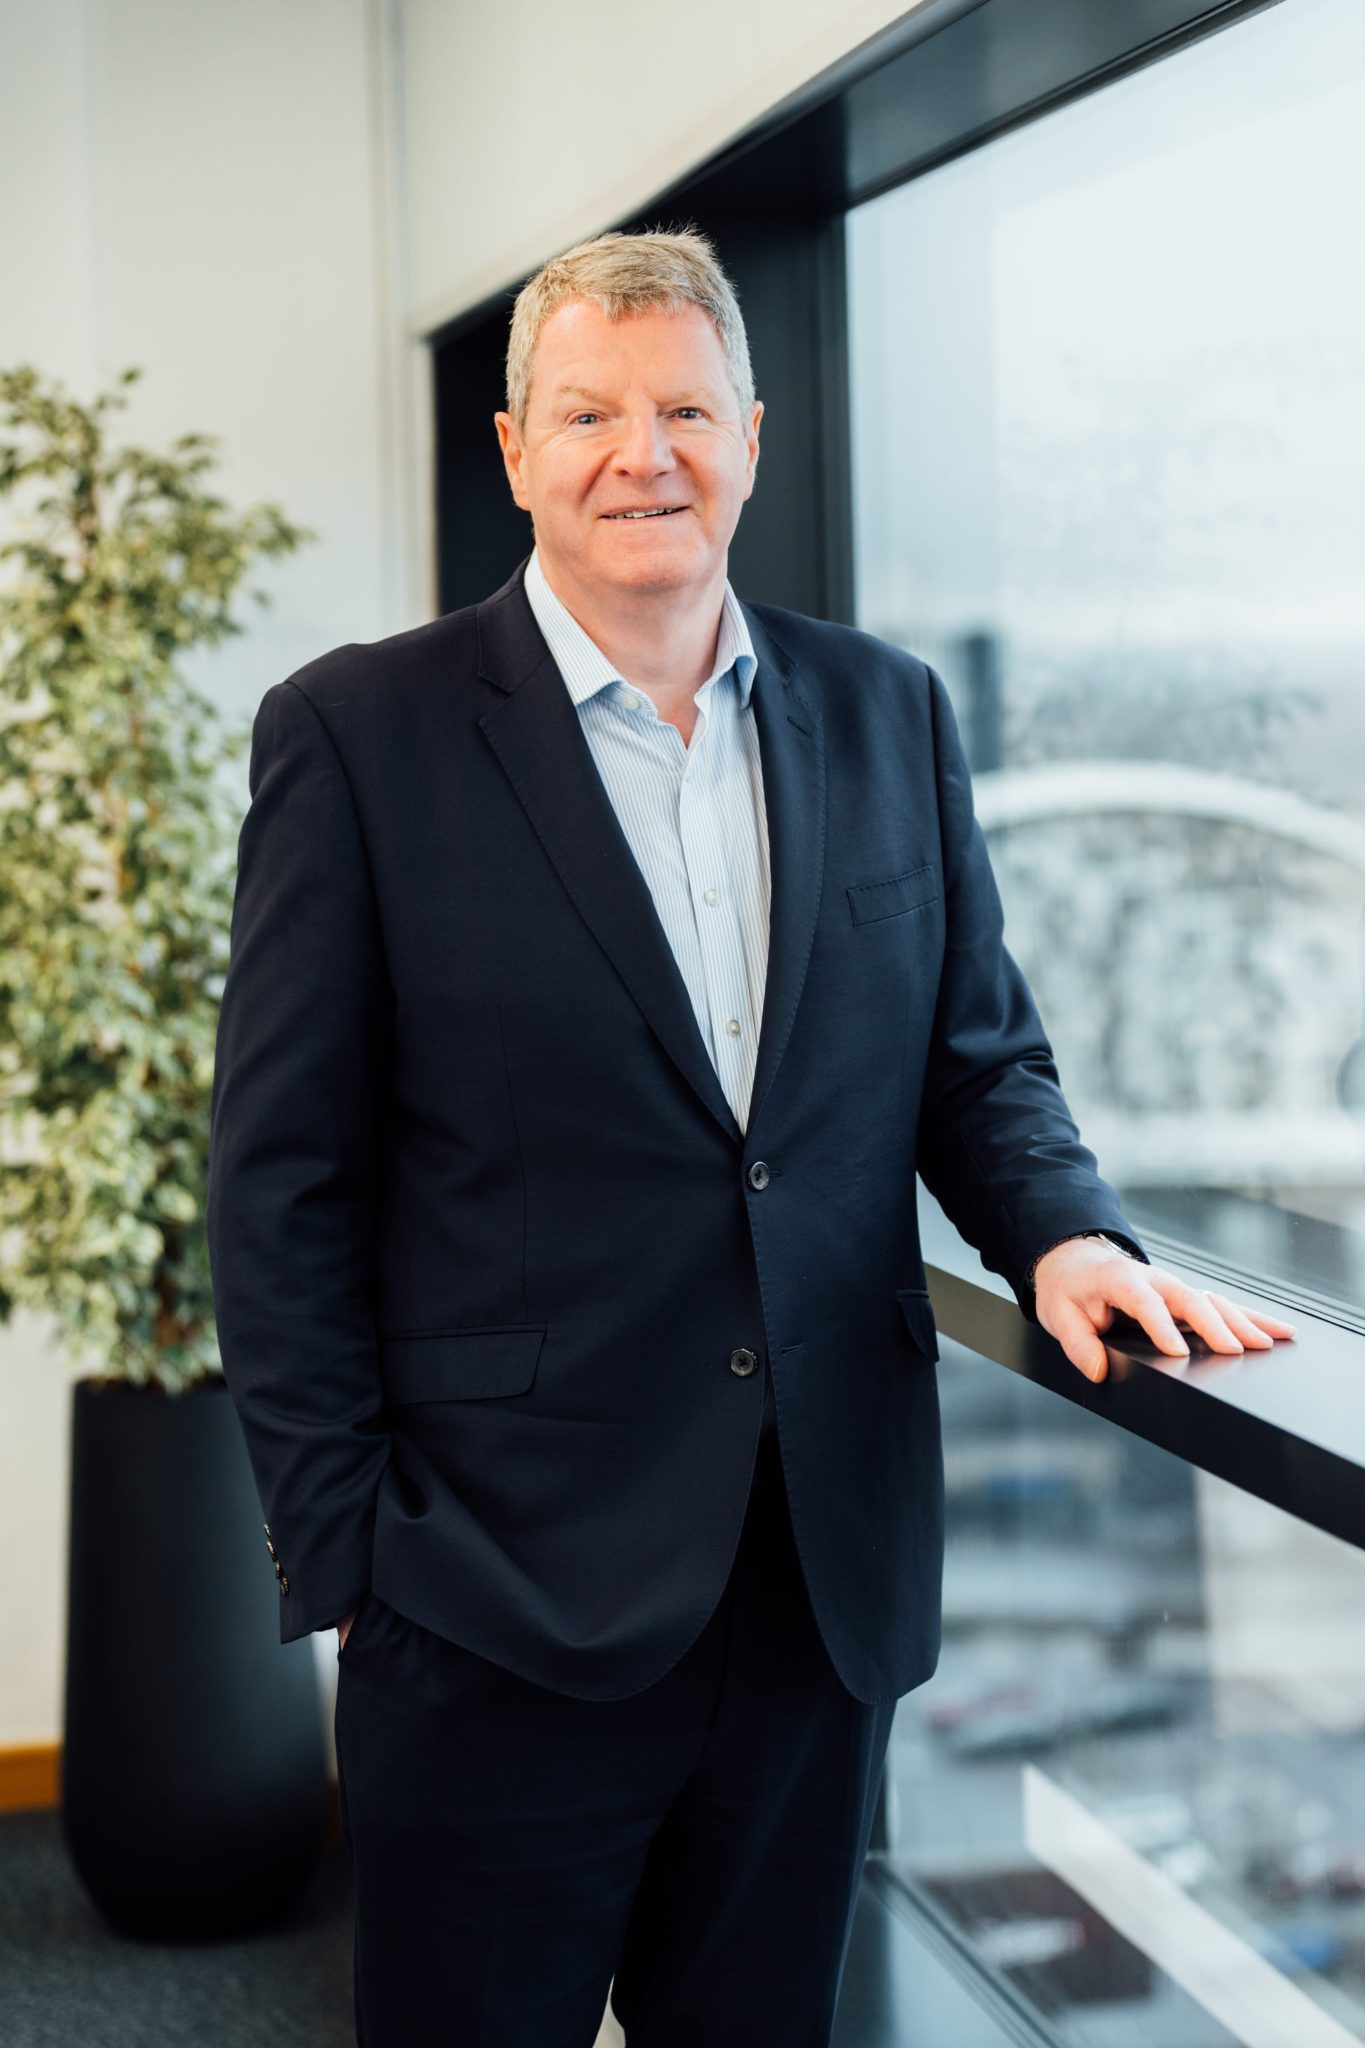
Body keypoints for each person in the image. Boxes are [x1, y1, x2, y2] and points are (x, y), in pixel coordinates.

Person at [205, 227, 1293, 2046]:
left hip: (813, 1592)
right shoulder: (357, 735)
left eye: (686, 408)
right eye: (591, 412)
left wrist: (1064, 1232)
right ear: (512, 451)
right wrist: (355, 1560)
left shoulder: (886, 711)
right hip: (489, 1599)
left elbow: (974, 1061)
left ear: (755, 436)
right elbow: (281, 1179)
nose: (645, 452)